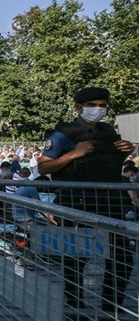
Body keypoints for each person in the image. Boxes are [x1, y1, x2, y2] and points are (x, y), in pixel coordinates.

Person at [37, 87, 135, 312]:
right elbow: (43, 166)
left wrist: (125, 150)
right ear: (78, 108)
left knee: (122, 260)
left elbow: (107, 165)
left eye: (102, 105)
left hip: (108, 206)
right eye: (93, 105)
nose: (98, 110)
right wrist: (74, 154)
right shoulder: (63, 135)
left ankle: (111, 309)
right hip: (75, 206)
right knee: (76, 262)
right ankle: (74, 309)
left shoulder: (108, 131)